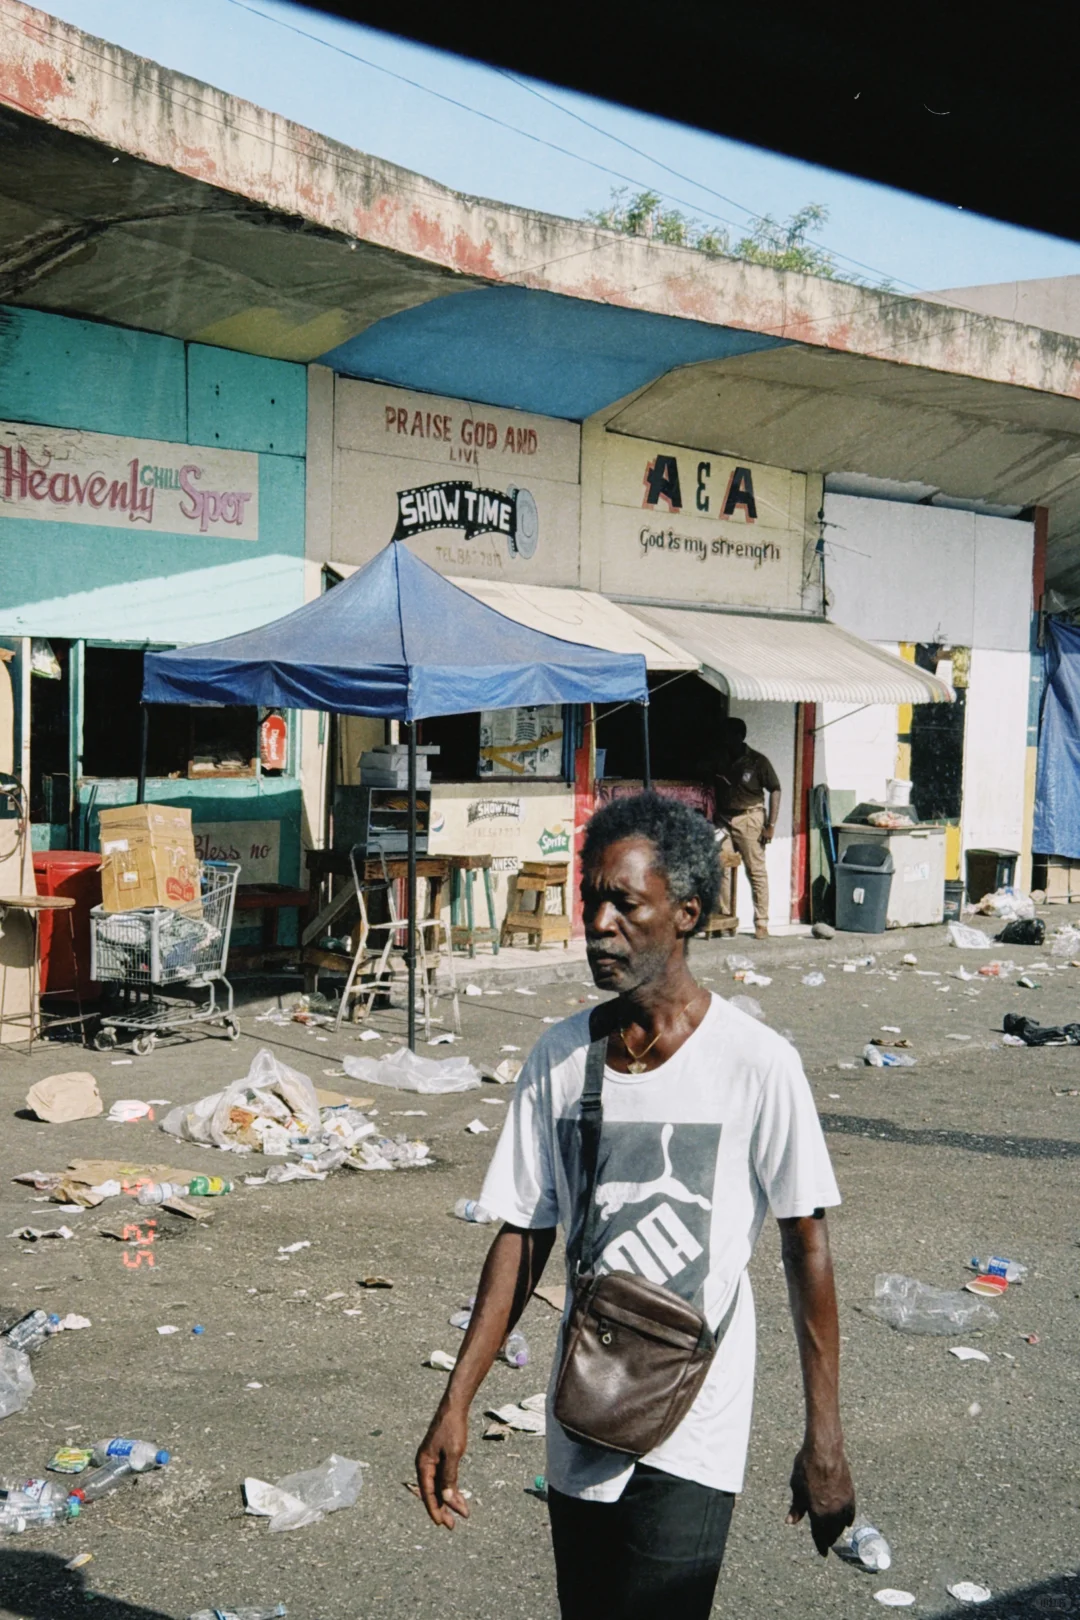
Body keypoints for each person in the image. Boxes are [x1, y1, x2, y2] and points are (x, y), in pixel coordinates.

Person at [416, 792, 854, 1619]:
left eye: (626, 902)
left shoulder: (756, 1064)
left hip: (698, 1416)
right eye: (592, 900)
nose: (600, 922)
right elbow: (523, 1235)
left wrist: (823, 1436)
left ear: (686, 913)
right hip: (586, 1405)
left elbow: (808, 1247)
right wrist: (456, 1401)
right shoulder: (561, 1056)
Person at [713, 716, 781, 940]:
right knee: (722, 867)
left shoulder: (757, 761)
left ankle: (761, 922)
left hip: (749, 818)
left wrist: (770, 824)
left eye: (728, 735)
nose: (725, 739)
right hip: (724, 819)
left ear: (739, 737)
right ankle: (725, 920)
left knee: (755, 870)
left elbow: (775, 788)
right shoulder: (720, 758)